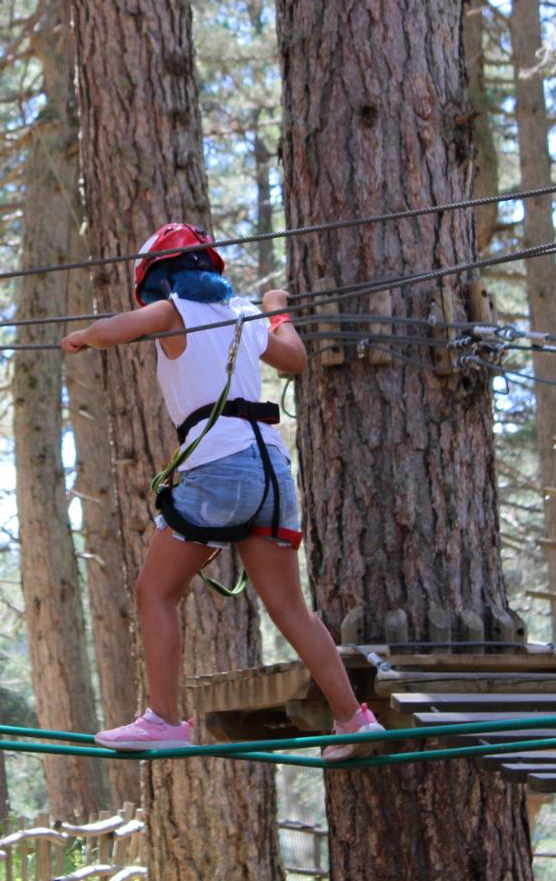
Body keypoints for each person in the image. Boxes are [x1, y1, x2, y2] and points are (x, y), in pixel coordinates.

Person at [61, 223, 382, 762]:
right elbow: (295, 359)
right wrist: (277, 310)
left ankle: (163, 718)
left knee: (155, 590)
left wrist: (83, 337)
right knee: (289, 607)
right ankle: (354, 718)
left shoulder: (173, 311)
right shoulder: (244, 316)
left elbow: (116, 329)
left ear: (156, 280)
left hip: (221, 470)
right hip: (272, 471)